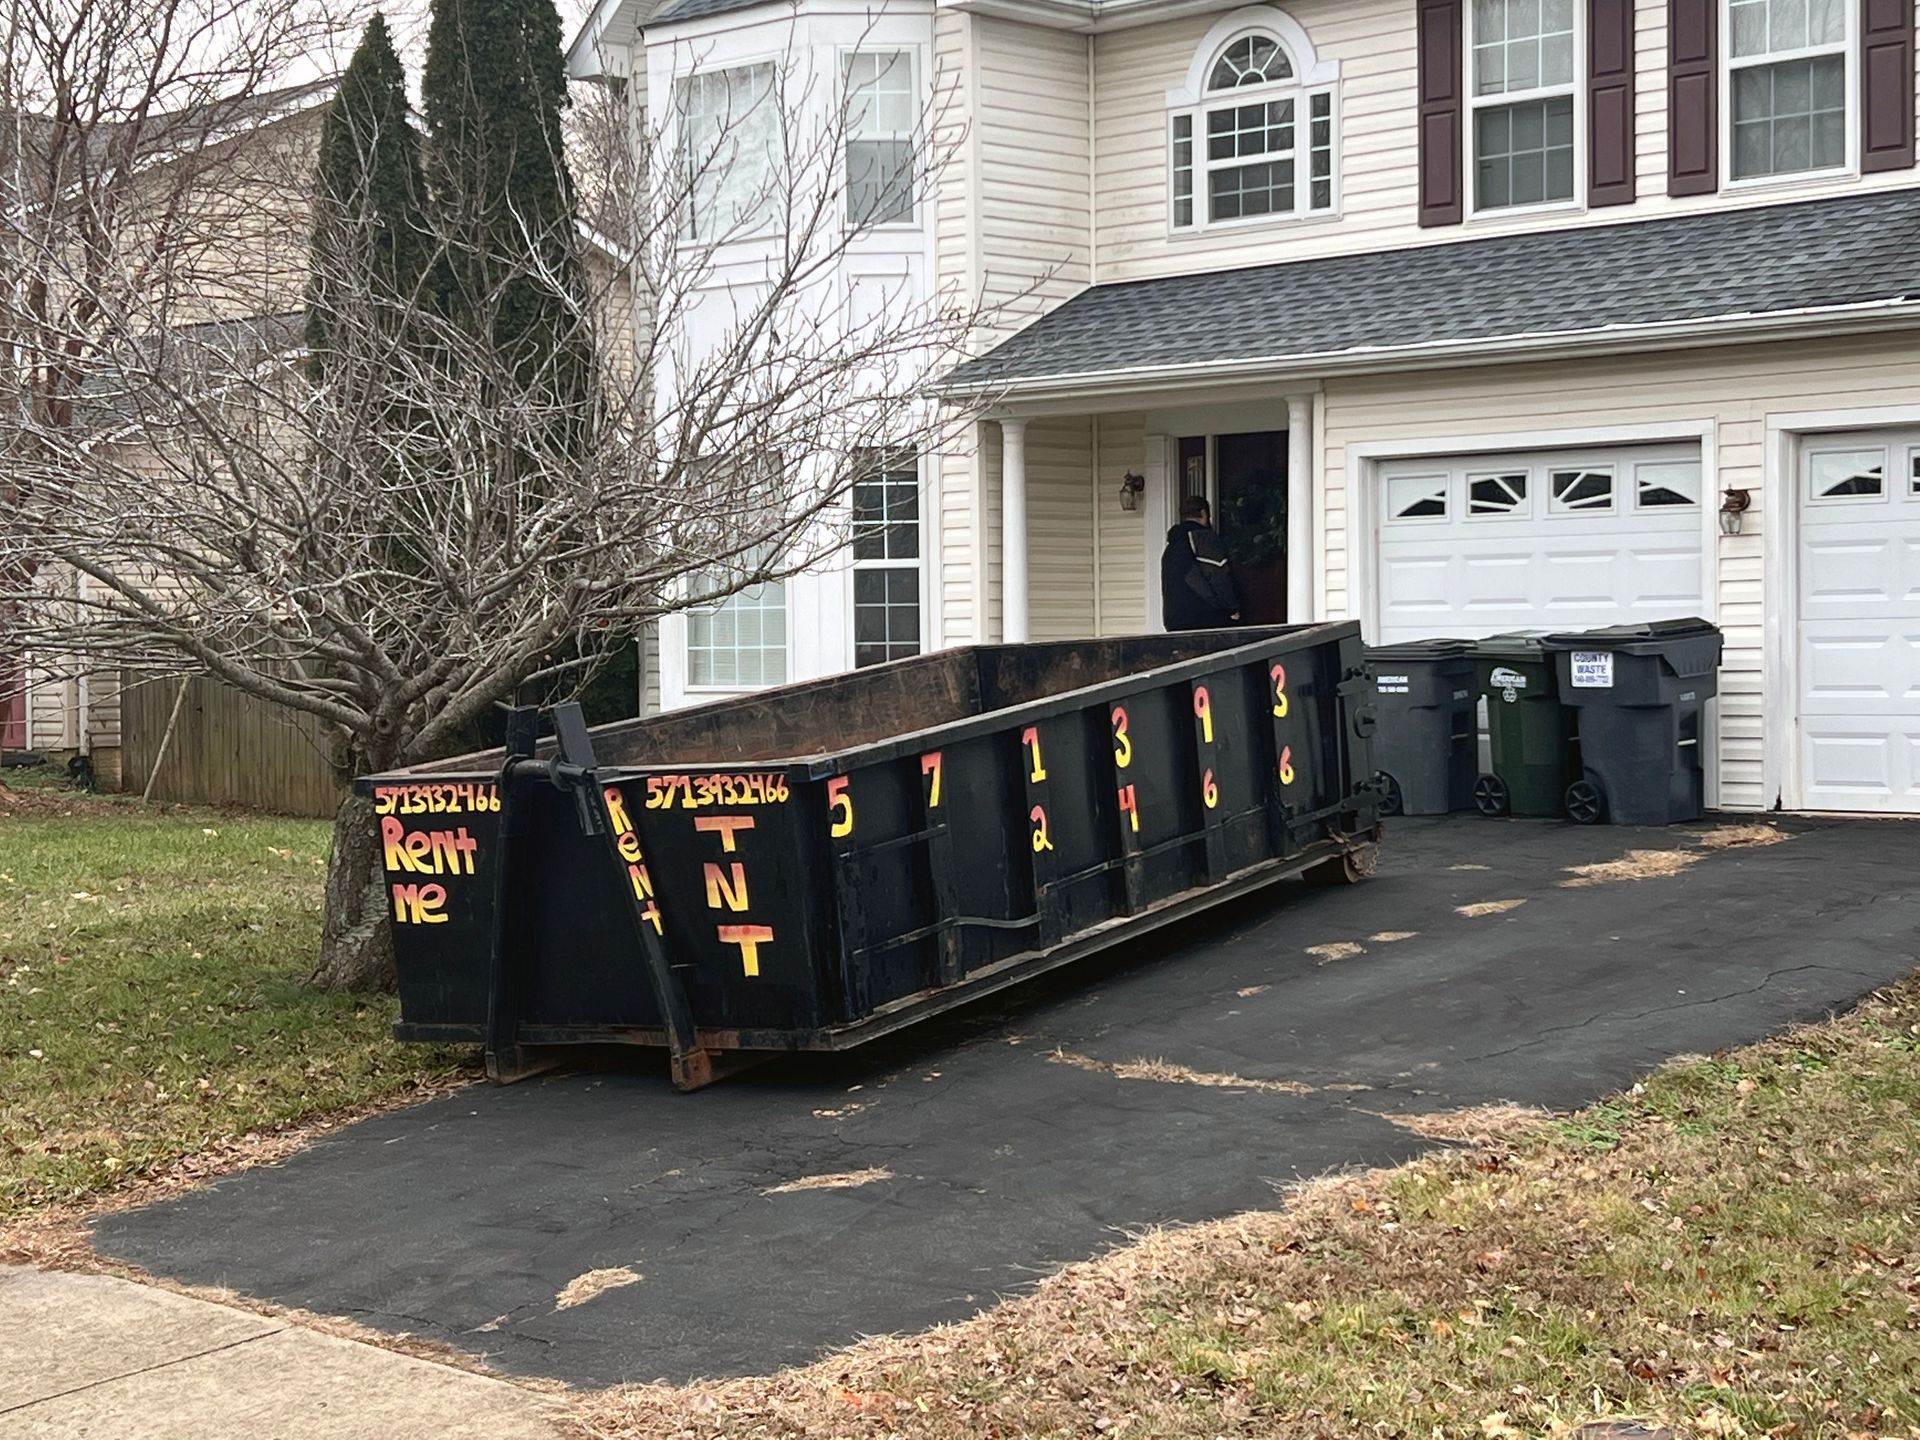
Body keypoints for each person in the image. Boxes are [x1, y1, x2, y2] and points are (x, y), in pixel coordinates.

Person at [1160, 495, 1242, 631]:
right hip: (1205, 618)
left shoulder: (1172, 546)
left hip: (1174, 620)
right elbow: (1219, 576)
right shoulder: (1203, 539)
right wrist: (1232, 609)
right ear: (1204, 513)